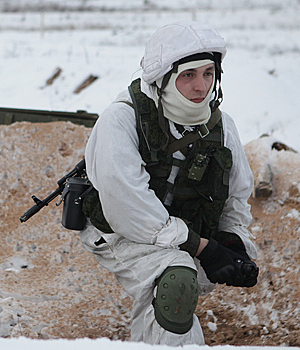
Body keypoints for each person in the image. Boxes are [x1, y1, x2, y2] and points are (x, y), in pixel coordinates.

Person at [80, 22, 259, 345]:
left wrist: (233, 242)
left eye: (208, 73)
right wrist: (203, 247)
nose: (200, 86)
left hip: (180, 232)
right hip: (118, 231)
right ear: (162, 78)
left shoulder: (222, 127)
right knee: (175, 280)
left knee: (175, 287)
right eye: (188, 75)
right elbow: (129, 209)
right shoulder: (121, 119)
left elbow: (237, 197)